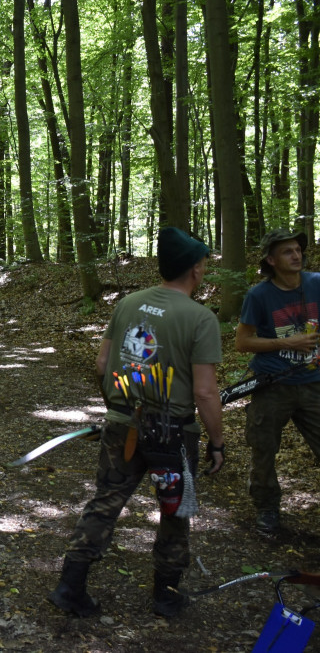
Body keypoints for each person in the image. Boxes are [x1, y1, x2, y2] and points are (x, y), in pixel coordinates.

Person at [48, 227, 225, 619]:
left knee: (106, 501)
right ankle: (165, 595)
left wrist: (118, 405)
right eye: (204, 263)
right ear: (195, 269)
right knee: (175, 513)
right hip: (174, 435)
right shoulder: (199, 318)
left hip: (122, 426)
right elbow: (206, 393)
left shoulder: (128, 304)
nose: (205, 269)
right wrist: (217, 441)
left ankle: (69, 586)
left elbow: (101, 364)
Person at [234, 228, 320, 534]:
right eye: (287, 251)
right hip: (273, 384)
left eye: (298, 249)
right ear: (271, 260)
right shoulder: (259, 295)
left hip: (313, 383)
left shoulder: (317, 283)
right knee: (263, 448)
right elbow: (242, 343)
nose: (296, 255)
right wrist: (287, 343)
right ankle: (267, 507)